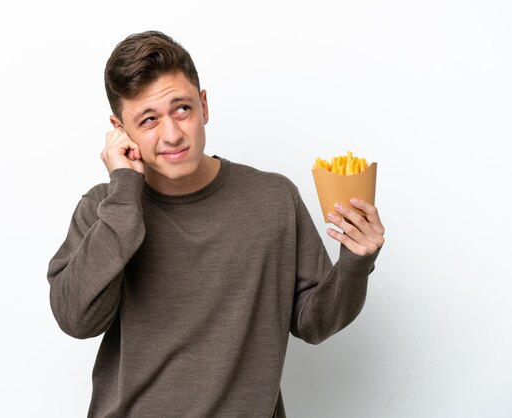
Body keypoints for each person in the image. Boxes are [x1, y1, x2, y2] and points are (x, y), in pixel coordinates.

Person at [47, 30, 385, 418]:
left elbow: (313, 323)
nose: (172, 134)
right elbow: (76, 320)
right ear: (120, 130)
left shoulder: (273, 199)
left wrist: (356, 264)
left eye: (182, 109)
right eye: (148, 119)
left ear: (204, 106)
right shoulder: (104, 208)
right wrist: (124, 193)